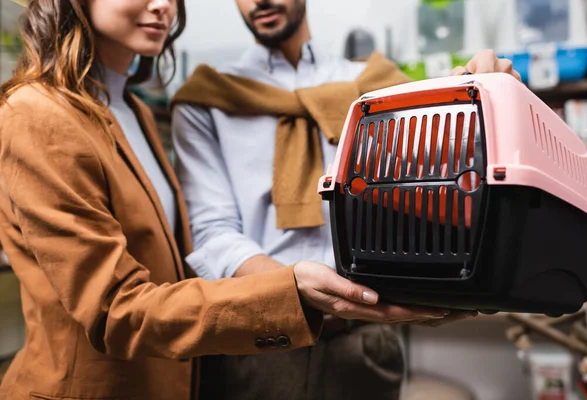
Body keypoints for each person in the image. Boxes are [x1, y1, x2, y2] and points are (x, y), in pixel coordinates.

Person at [0, 1, 457, 399]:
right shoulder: (41, 113)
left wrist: (472, 88)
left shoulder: (130, 110)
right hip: (136, 373)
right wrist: (290, 290)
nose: (163, 6)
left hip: (335, 340)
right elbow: (119, 304)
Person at [170, 1, 521, 399]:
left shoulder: (379, 86)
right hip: (259, 344)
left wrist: (484, 91)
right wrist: (293, 291)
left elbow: (442, 176)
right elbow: (212, 232)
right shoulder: (207, 98)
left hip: (367, 342)